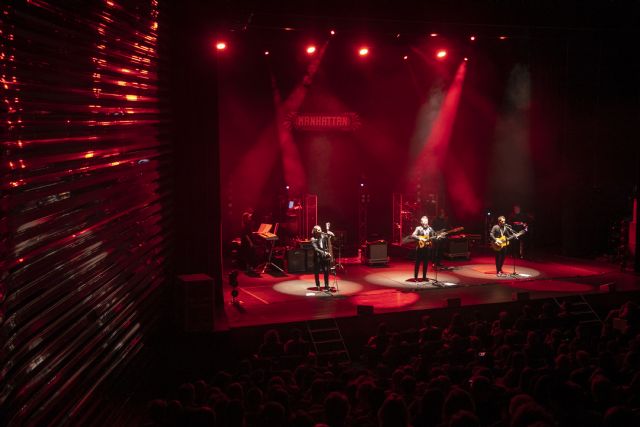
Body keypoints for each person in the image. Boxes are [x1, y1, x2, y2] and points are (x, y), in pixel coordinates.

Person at [412, 216, 436, 281]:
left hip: (427, 248)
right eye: (424, 222)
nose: (425, 223)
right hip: (420, 248)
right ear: (421, 222)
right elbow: (413, 235)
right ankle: (416, 278)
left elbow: (434, 236)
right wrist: (420, 238)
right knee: (417, 263)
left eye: (426, 222)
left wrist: (438, 236)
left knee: (425, 263)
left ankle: (424, 277)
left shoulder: (430, 229)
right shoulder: (418, 228)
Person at [311, 225, 333, 291]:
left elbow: (331, 236)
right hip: (317, 258)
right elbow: (316, 249)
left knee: (326, 271)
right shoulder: (313, 239)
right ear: (315, 232)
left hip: (324, 257)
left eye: (320, 230)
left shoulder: (323, 236)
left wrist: (330, 234)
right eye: (318, 231)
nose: (319, 232)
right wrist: (324, 252)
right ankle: (318, 285)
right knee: (317, 272)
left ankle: (326, 285)